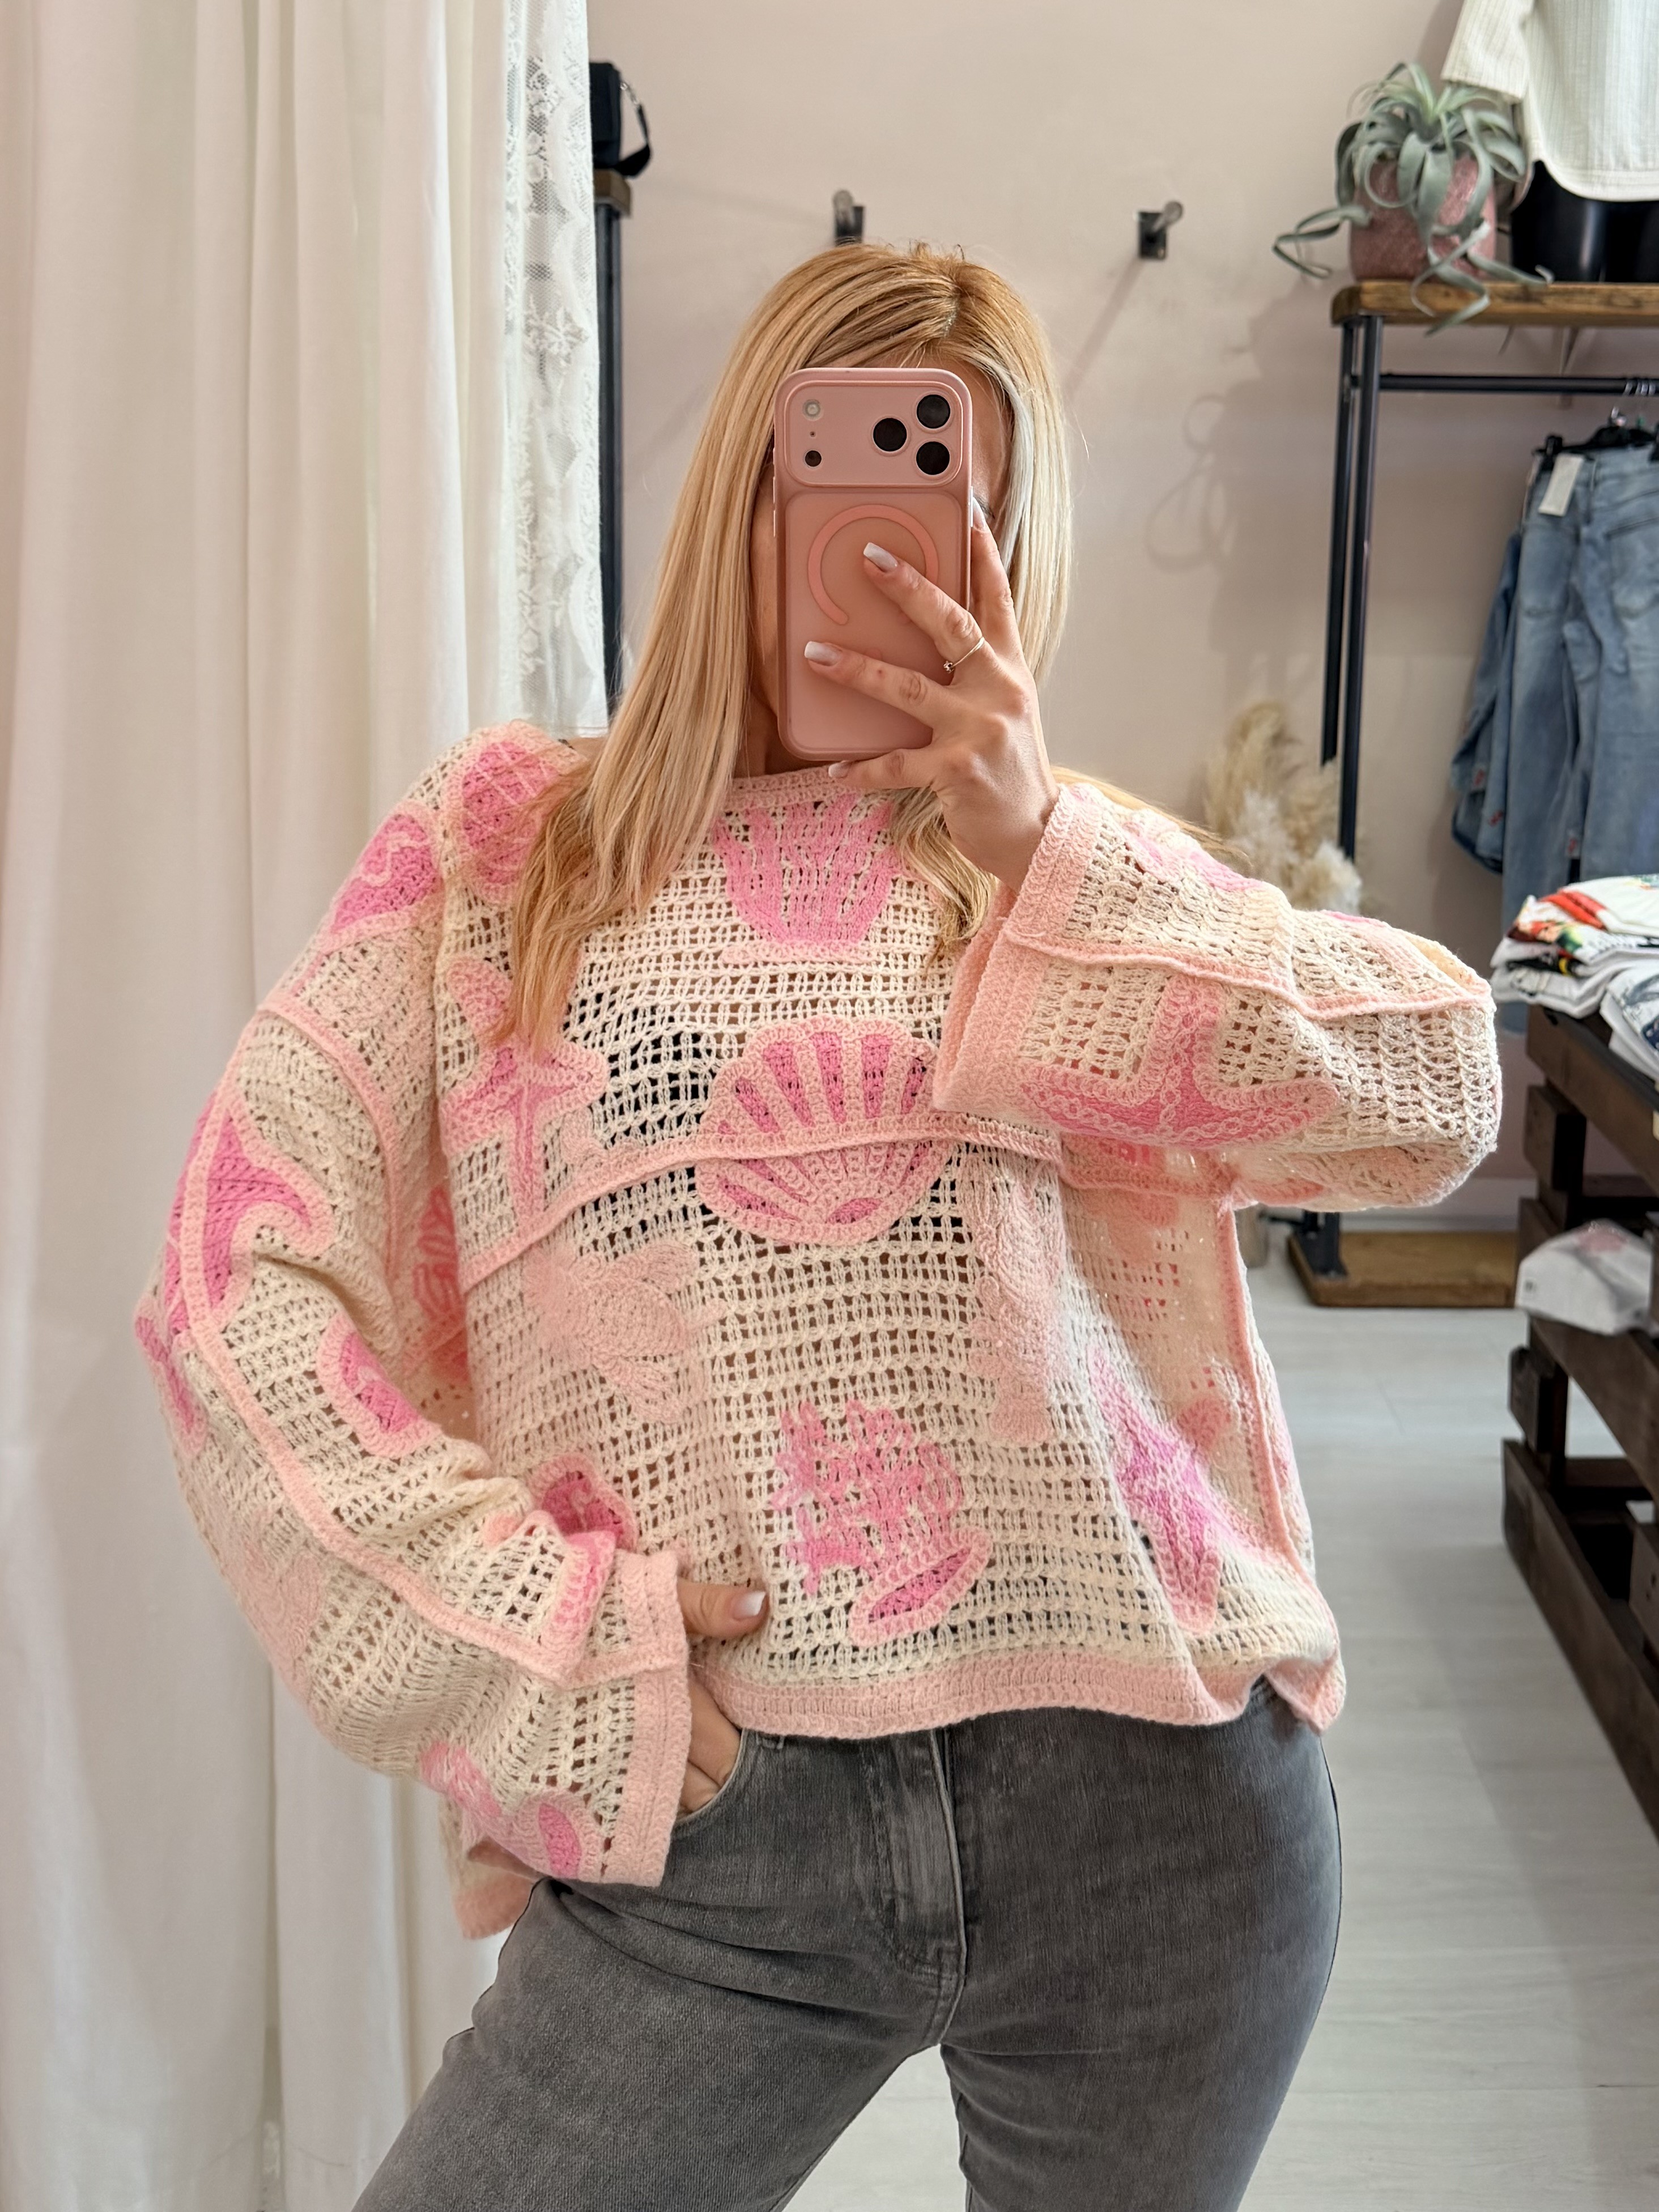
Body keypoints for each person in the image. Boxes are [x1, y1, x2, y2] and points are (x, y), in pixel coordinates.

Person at [137, 243, 1500, 2212]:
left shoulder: (1075, 866)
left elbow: (1437, 1086)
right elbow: (228, 1286)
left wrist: (1045, 850)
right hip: (720, 1826)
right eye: (833, 474)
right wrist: (528, 1640)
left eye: (962, 505)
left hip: (1155, 1805)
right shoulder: (507, 855)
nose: (897, 554)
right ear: (740, 503)